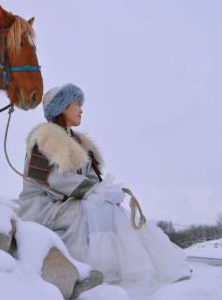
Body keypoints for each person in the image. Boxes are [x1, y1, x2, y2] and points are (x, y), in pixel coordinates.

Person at [17, 83, 191, 287]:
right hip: (43, 207)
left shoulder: (78, 143)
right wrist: (96, 193)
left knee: (112, 210)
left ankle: (151, 269)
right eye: (76, 103)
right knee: (97, 209)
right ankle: (98, 272)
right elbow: (56, 180)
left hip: (65, 202)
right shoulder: (45, 138)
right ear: (62, 108)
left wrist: (107, 193)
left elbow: (91, 179)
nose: (81, 108)